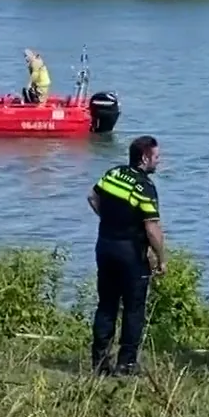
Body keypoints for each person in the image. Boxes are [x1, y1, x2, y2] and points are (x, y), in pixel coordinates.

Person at [85, 135, 166, 375]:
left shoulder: (114, 173)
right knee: (133, 308)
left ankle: (99, 363)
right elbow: (152, 229)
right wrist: (161, 259)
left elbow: (92, 196)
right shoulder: (145, 187)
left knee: (106, 305)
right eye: (156, 157)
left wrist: (109, 220)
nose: (158, 162)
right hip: (131, 253)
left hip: (105, 246)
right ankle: (126, 363)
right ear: (144, 158)